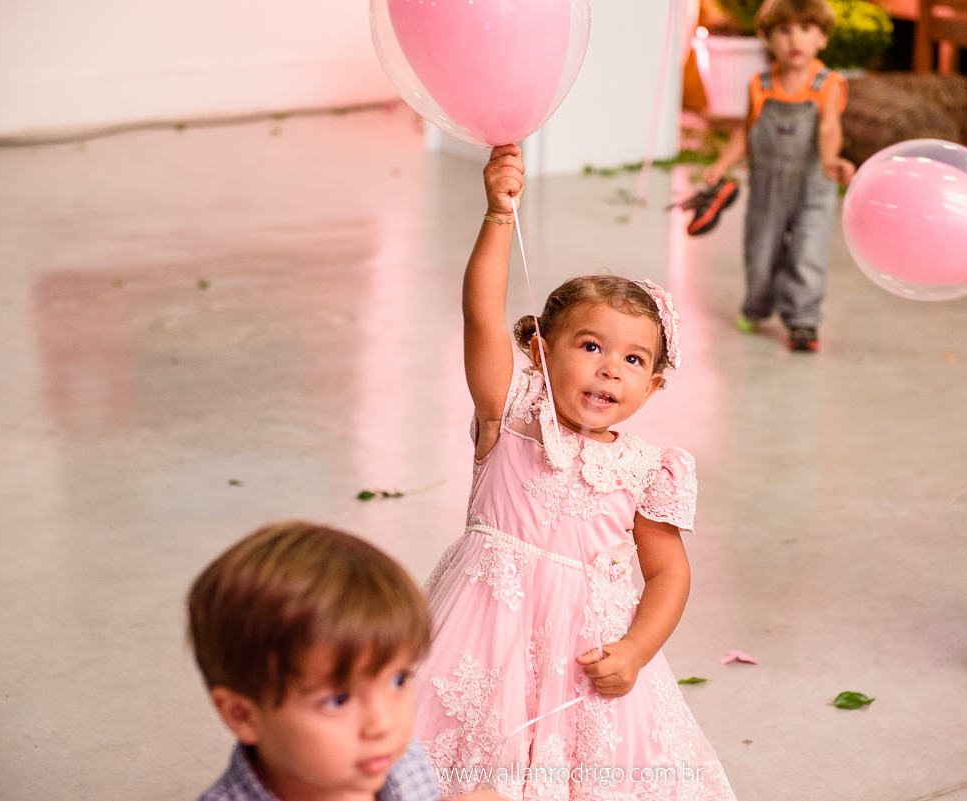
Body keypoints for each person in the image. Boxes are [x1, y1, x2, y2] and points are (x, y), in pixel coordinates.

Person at [413, 144, 738, 800]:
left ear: (654, 384)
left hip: (584, 655)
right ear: (540, 351)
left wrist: (637, 649)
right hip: (483, 634)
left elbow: (669, 574)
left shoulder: (648, 469)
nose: (610, 368)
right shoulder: (508, 418)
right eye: (590, 346)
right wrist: (498, 214)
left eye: (634, 359)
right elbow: (480, 314)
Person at [187, 521, 503, 801]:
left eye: (398, 681)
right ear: (242, 715)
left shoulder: (398, 760)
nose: (383, 724)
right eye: (338, 700)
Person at [701, 0, 856, 352]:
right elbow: (746, 131)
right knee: (760, 253)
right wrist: (721, 164)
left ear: (822, 39)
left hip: (812, 187)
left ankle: (803, 321)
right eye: (784, 30)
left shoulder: (828, 84)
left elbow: (829, 127)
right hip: (766, 188)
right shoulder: (760, 84)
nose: (794, 39)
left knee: (807, 253)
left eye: (806, 29)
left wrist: (830, 159)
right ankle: (756, 305)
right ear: (768, 39)